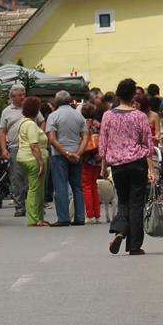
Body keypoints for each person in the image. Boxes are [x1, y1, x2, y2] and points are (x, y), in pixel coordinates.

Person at [98, 77, 155, 256]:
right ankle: (134, 245)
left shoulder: (108, 116)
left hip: (117, 164)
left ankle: (120, 230)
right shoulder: (140, 116)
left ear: (118, 95)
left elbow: (103, 143)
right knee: (136, 203)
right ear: (132, 96)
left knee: (122, 200)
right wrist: (152, 169)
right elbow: (148, 143)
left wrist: (103, 165)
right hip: (137, 162)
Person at [0, 84, 44, 218]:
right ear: (12, 97)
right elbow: (2, 130)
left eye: (24, 94)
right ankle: (19, 206)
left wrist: (39, 133)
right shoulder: (7, 111)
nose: (23, 97)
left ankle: (34, 206)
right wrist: (3, 148)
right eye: (20, 95)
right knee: (17, 178)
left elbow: (42, 121)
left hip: (32, 146)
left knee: (34, 177)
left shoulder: (30, 107)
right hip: (15, 147)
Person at [46, 90, 88, 226]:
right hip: (76, 154)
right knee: (77, 186)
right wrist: (77, 153)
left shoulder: (53, 116)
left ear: (56, 101)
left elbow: (52, 139)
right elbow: (85, 136)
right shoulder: (79, 116)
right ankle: (80, 217)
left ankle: (63, 218)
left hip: (59, 155)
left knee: (61, 186)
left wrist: (66, 153)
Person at [16, 95, 49, 226]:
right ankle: (34, 218)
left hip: (25, 157)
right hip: (32, 158)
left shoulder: (24, 122)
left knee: (37, 188)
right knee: (35, 189)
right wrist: (40, 162)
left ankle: (39, 217)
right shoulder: (31, 125)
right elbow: (33, 145)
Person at [80, 101, 102, 223]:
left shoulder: (84, 125)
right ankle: (97, 213)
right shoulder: (98, 124)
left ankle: (90, 214)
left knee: (86, 185)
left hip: (87, 157)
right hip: (97, 157)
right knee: (94, 184)